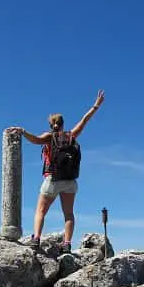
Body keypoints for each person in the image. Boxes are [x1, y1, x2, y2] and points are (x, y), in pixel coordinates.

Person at [10, 90, 104, 253]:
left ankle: (36, 239)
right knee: (68, 214)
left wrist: (22, 131)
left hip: (52, 180)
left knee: (40, 211)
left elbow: (35, 140)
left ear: (51, 125)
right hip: (70, 181)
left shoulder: (49, 137)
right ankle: (67, 243)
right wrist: (96, 105)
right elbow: (84, 120)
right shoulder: (71, 136)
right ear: (62, 124)